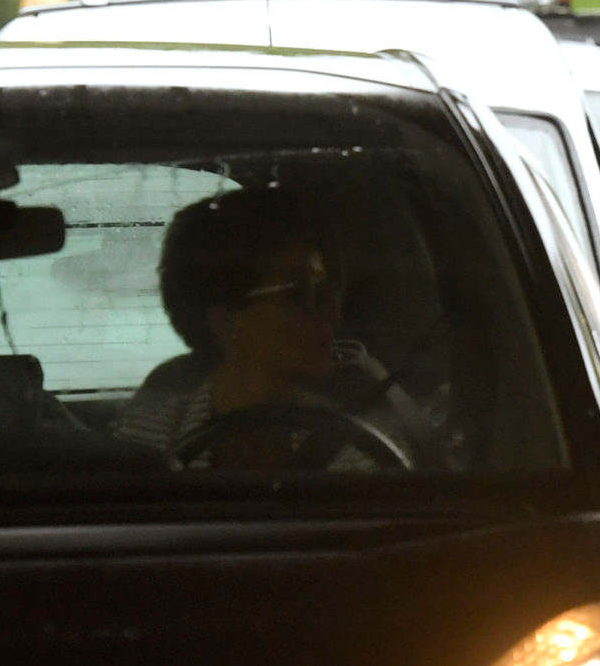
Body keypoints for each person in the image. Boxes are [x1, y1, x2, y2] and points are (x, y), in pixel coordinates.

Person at [116, 187, 419, 470]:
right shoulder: (153, 430)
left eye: (330, 290)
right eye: (302, 293)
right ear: (226, 321)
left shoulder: (361, 442)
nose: (331, 312)